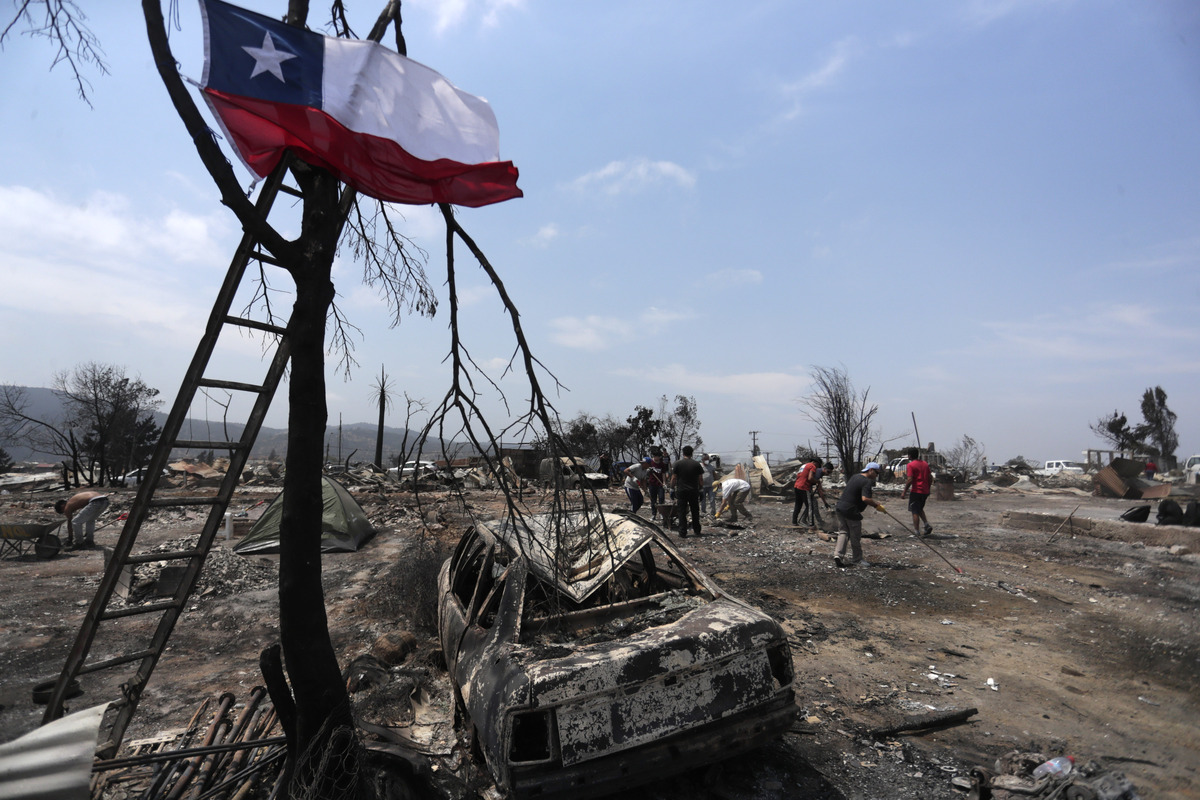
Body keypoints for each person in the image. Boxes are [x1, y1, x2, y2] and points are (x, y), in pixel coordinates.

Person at [833, 462, 885, 567]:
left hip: (840, 508)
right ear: (870, 470)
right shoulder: (867, 481)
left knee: (843, 532)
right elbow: (865, 498)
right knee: (855, 536)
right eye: (876, 473)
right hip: (851, 511)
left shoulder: (854, 477)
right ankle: (857, 559)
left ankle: (838, 555)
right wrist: (876, 505)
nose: (876, 475)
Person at [671, 446, 705, 538]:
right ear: (692, 453)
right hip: (694, 491)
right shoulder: (696, 464)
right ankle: (697, 530)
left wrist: (672, 489)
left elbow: (674, 478)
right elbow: (700, 478)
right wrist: (701, 490)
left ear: (683, 453)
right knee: (695, 511)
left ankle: (682, 532)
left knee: (681, 511)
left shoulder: (677, 464)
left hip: (681, 491)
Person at [901, 447, 934, 536]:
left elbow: (910, 479)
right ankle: (926, 525)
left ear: (910, 456)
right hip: (925, 491)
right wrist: (928, 488)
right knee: (919, 509)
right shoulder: (925, 464)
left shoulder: (910, 465)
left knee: (914, 511)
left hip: (916, 491)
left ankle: (916, 532)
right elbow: (930, 477)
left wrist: (904, 491)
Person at [792, 458, 824, 527]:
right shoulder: (812, 466)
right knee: (810, 506)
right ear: (816, 462)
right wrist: (817, 481)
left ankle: (794, 522)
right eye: (818, 465)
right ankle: (811, 524)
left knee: (798, 505)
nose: (817, 468)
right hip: (804, 487)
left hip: (797, 486)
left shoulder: (803, 466)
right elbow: (810, 478)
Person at [645, 453, 667, 520]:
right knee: (653, 500)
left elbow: (663, 474)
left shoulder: (662, 464)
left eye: (656, 456)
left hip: (660, 485)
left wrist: (664, 483)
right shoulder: (650, 463)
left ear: (659, 457)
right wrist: (648, 471)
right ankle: (653, 514)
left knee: (661, 498)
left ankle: (661, 514)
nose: (655, 457)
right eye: (654, 456)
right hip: (652, 484)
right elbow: (645, 471)